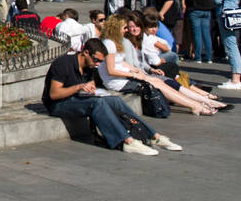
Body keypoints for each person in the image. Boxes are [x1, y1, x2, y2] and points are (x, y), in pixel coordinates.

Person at [41, 39, 179, 156]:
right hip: (58, 104)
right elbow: (54, 94)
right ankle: (126, 141)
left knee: (115, 100)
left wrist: (91, 89)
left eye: (101, 61)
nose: (98, 64)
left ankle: (153, 136)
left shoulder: (89, 66)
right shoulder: (63, 63)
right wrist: (78, 87)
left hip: (75, 98)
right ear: (86, 52)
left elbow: (89, 85)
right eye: (96, 60)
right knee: (97, 104)